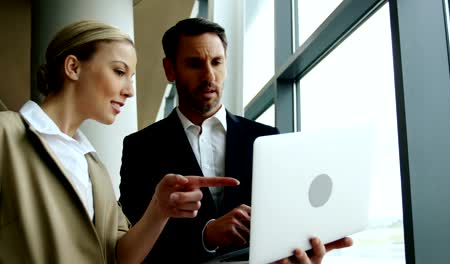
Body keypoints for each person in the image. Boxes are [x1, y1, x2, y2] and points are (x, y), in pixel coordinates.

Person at [0, 20, 240, 264]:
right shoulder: (6, 134)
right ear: (73, 67)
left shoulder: (93, 168)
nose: (129, 91)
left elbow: (120, 257)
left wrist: (159, 209)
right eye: (119, 71)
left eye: (131, 77)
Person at [119, 17, 352, 264]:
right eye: (194, 63)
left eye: (217, 62)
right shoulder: (139, 148)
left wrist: (301, 249)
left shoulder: (267, 138)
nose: (209, 75)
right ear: (170, 69)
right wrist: (206, 235)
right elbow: (133, 241)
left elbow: (285, 222)